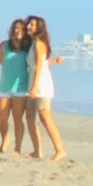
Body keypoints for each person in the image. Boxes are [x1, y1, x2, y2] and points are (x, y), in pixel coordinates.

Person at [25, 15, 67, 163]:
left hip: (41, 86)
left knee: (45, 118)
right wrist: (54, 61)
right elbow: (41, 64)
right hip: (33, 84)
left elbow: (39, 68)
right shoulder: (33, 43)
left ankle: (60, 150)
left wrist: (34, 87)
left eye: (32, 25)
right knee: (29, 117)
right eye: (29, 24)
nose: (29, 26)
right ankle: (37, 151)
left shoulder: (38, 44)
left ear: (39, 28)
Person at [0, 19, 31, 155]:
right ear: (12, 29)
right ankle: (5, 139)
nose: (19, 30)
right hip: (4, 86)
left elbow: (36, 64)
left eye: (22, 28)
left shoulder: (28, 47)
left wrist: (53, 61)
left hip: (20, 88)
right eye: (16, 27)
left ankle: (17, 148)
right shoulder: (4, 45)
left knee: (17, 119)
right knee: (1, 118)